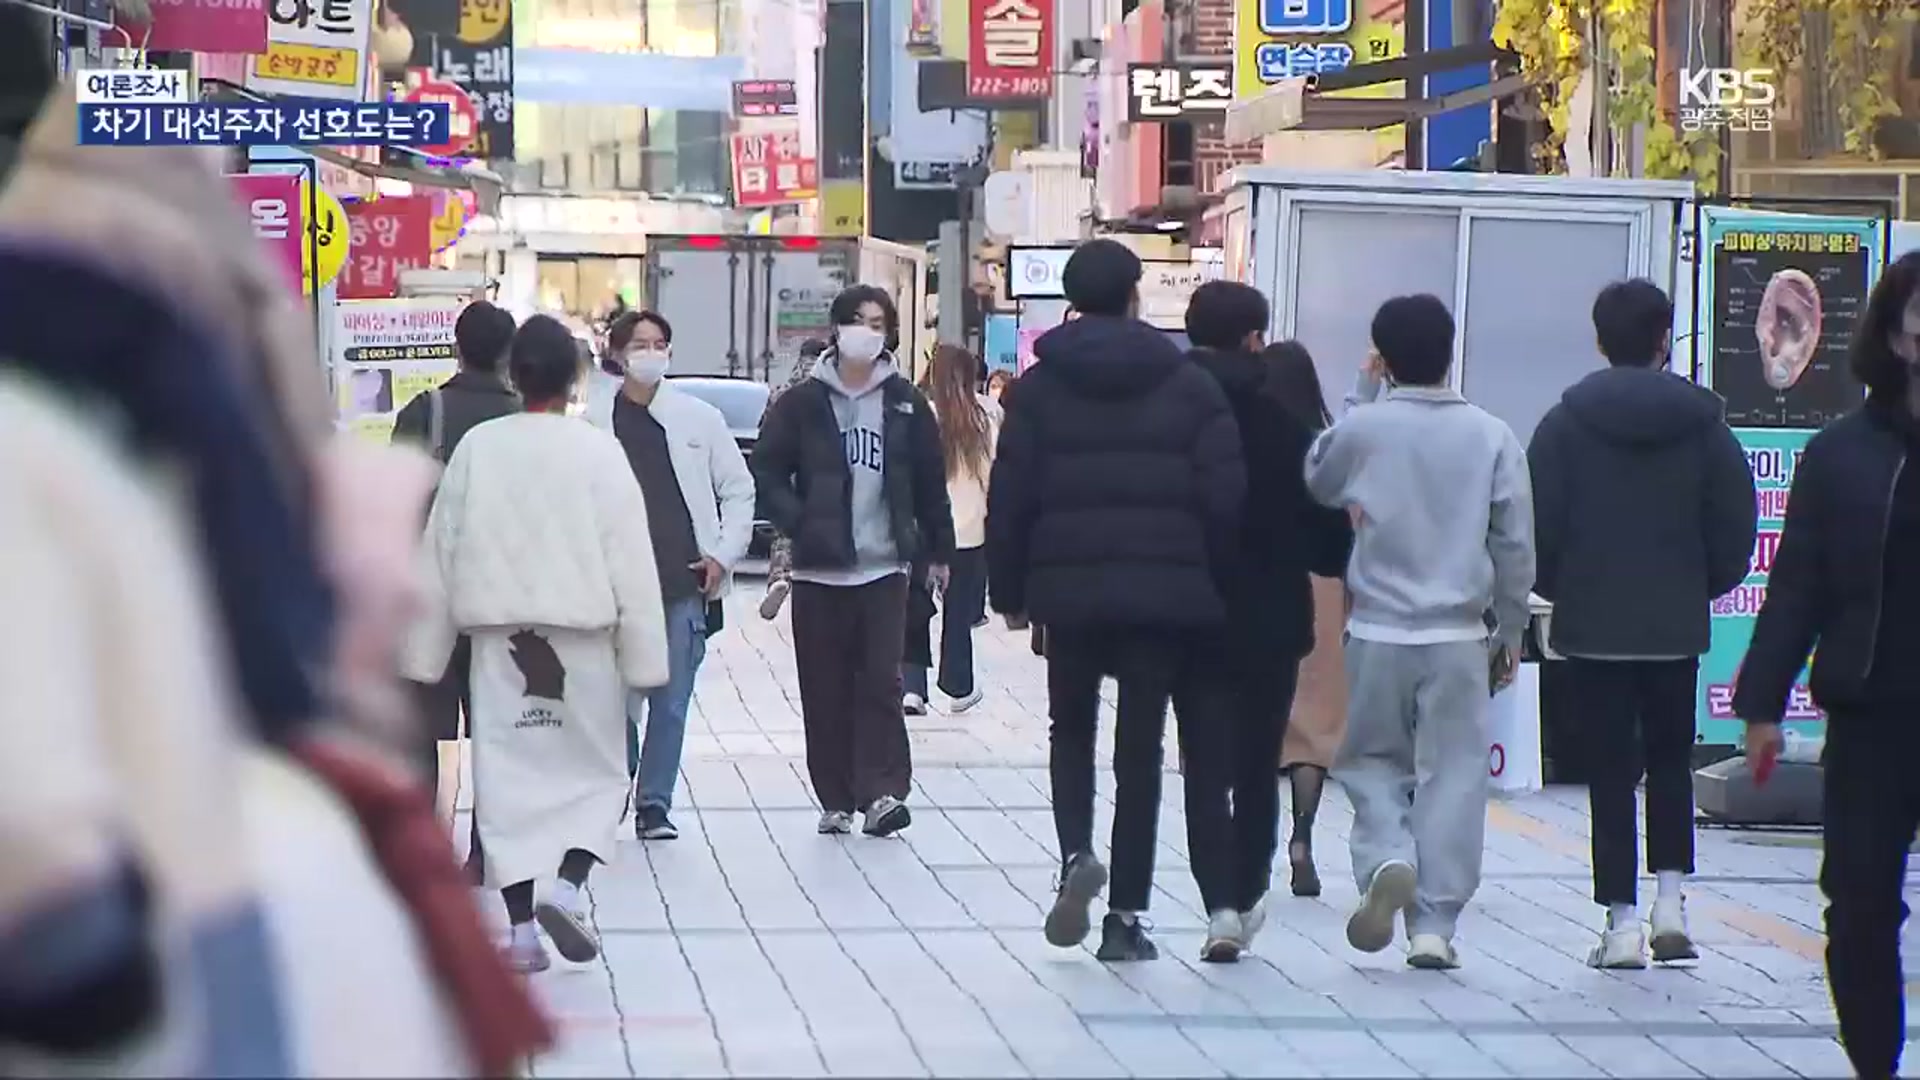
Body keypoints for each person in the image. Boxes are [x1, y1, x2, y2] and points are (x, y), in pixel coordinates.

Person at [986, 239, 1244, 962]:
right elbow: (1225, 496)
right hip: (1165, 598)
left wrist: (1008, 590)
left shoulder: (1037, 389)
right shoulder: (1189, 384)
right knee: (1140, 752)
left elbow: (1012, 497)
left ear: (1070, 299)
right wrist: (1210, 581)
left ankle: (1075, 856)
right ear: (1136, 296)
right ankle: (1126, 917)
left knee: (1070, 729)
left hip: (1069, 594)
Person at [404, 314, 670, 974]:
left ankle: (521, 931)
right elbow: (631, 558)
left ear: (514, 375)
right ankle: (572, 884)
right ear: (575, 377)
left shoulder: (479, 451)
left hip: (501, 644)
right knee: (600, 772)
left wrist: (422, 650)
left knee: (507, 784)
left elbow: (441, 549)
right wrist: (645, 654)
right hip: (585, 642)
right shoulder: (597, 452)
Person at [1527, 279, 1757, 969]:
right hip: (1674, 625)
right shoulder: (1706, 424)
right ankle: (1671, 904)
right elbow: (1735, 527)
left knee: (1608, 772)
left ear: (1601, 340)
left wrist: (1560, 588)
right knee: (1669, 763)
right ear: (1664, 339)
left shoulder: (1565, 423)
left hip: (1593, 624)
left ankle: (1620, 924)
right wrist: (1696, 586)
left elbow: (1537, 525)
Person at [1303, 293, 1535, 971]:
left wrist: (1361, 392)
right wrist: (1511, 628)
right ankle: (1434, 924)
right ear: (1449, 352)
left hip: (1377, 628)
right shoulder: (1491, 435)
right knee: (1454, 774)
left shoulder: (1368, 428)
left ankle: (1385, 857)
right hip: (1460, 633)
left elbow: (1320, 476)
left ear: (1385, 356)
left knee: (1370, 760)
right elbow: (1515, 541)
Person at [1734, 251, 1920, 1080]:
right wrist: (1762, 704)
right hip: (1875, 712)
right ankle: (1875, 1062)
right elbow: (1796, 587)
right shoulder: (1841, 455)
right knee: (1859, 905)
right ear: (1897, 334)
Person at [1176, 284, 1353, 962]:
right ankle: (1248, 890)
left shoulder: (1169, 417)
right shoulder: (1287, 429)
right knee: (1256, 763)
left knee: (1203, 764)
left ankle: (1216, 901)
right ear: (1255, 340)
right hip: (1272, 617)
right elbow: (1329, 542)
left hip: (1188, 614)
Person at [752, 287, 953, 838]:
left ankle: (882, 793)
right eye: (858, 321)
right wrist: (800, 520)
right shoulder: (803, 403)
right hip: (820, 569)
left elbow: (931, 483)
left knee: (881, 685)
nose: (868, 331)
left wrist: (938, 550)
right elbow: (767, 472)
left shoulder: (906, 403)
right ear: (838, 328)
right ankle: (836, 795)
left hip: (884, 567)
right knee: (825, 686)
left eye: (878, 323)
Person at [587, 310, 756, 841]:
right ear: (616, 352)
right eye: (640, 343)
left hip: (682, 583)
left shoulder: (697, 419)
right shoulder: (593, 422)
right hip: (610, 588)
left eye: (661, 343)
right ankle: (617, 786)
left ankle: (654, 805)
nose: (652, 353)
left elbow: (738, 489)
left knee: (671, 703)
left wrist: (723, 555)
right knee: (611, 702)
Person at [391, 300, 521, 806]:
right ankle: (490, 852)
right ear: (510, 353)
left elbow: (398, 503)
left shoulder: (426, 411)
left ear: (456, 349)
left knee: (424, 729)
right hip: (505, 599)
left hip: (433, 594)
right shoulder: (524, 419)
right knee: (499, 732)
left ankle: (425, 841)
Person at [1261, 340, 1348, 899]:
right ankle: (1302, 838)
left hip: (1262, 584)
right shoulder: (1325, 448)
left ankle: (1257, 841)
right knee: (1314, 731)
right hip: (1323, 589)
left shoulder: (1253, 442)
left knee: (1266, 725)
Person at [902, 344, 1001, 714]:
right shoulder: (987, 413)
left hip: (923, 525)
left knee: (915, 605)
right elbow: (996, 472)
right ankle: (958, 685)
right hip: (971, 528)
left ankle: (912, 687)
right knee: (959, 612)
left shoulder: (919, 412)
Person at [759, 337, 830, 620]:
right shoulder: (829, 389)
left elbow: (765, 430)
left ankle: (780, 576)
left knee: (784, 527)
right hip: (819, 470)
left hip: (786, 468)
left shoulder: (781, 391)